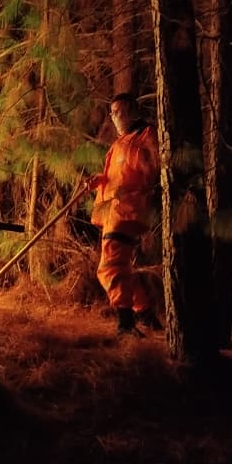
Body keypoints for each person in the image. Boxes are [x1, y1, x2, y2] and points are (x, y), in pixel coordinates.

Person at [86, 92, 160, 335]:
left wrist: (127, 191)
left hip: (127, 211)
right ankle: (145, 313)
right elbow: (118, 174)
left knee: (110, 266)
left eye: (119, 112)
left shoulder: (145, 136)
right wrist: (100, 180)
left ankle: (126, 324)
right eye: (112, 113)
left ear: (132, 111)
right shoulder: (120, 142)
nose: (114, 117)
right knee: (122, 267)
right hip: (112, 213)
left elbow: (150, 172)